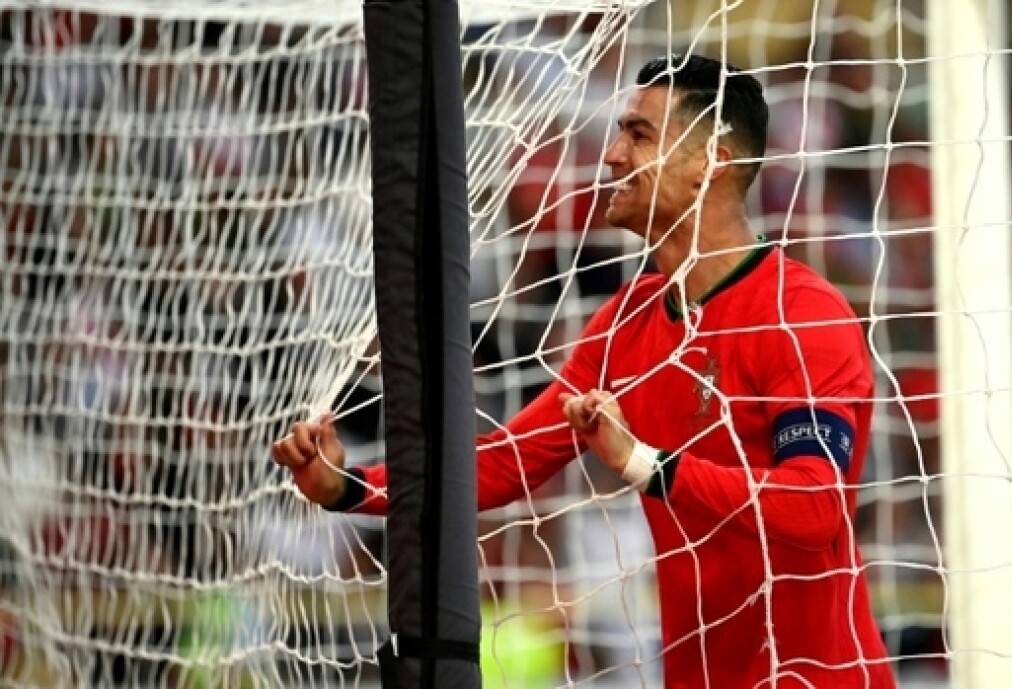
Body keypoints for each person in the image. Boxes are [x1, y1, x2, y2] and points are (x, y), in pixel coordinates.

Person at [273, 54, 896, 688]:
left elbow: (814, 506)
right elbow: (504, 463)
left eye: (639, 135)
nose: (613, 156)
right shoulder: (624, 325)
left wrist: (644, 465)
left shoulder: (801, 314)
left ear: (709, 164)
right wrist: (351, 488)